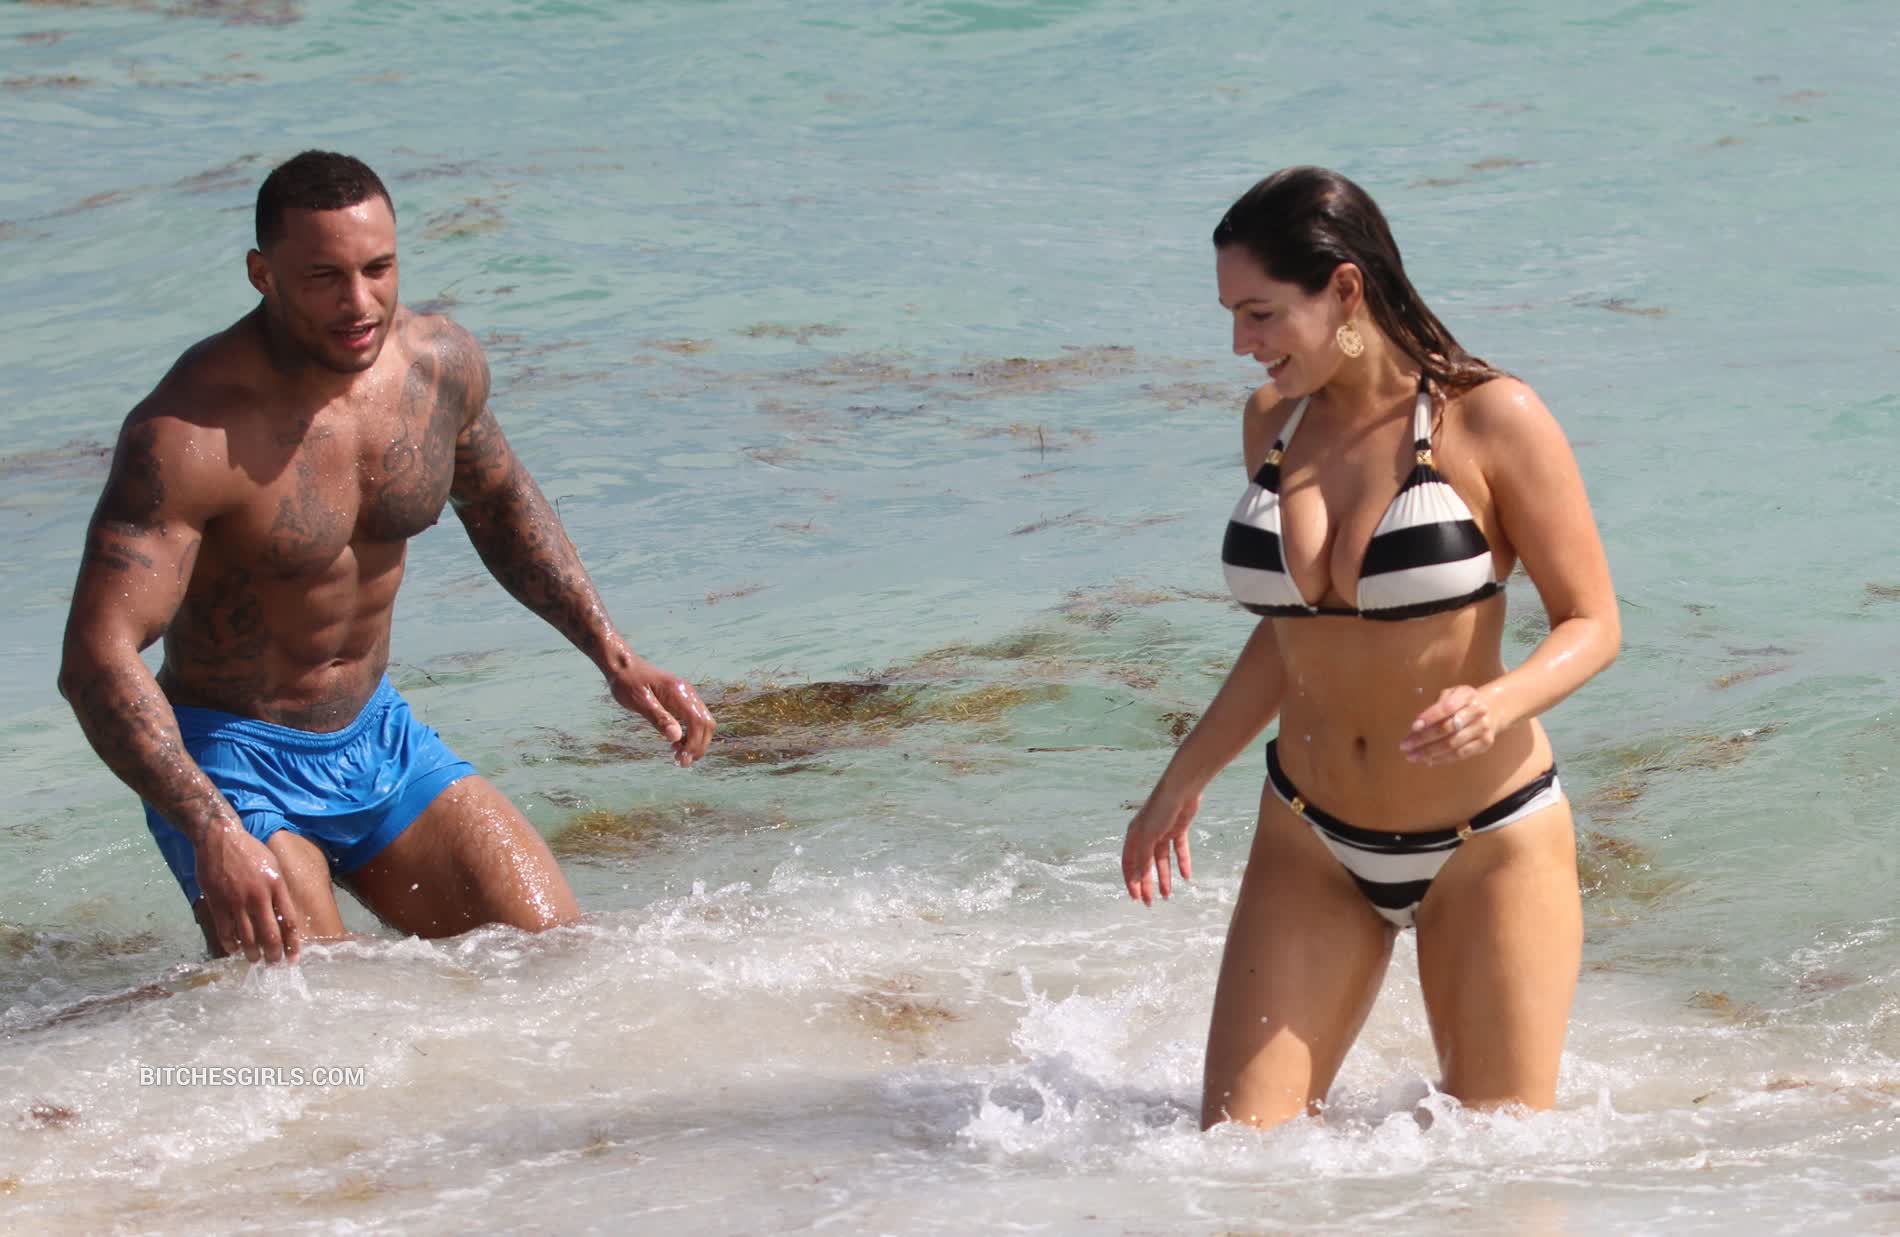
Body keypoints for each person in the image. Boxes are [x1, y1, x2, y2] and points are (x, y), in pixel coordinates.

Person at [57, 150, 716, 966]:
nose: (359, 302)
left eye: (378, 269)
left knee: (561, 961)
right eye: (324, 277)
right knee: (325, 1007)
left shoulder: (438, 369)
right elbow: (96, 658)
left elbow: (501, 505)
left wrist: (614, 655)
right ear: (262, 274)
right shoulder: (190, 433)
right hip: (233, 761)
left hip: (379, 736)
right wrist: (210, 828)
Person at [1121, 166, 1619, 1130]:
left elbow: (1593, 620)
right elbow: (1292, 637)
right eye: (1233, 316)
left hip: (1486, 844)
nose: (1241, 343)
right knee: (1232, 1161)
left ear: (1344, 289)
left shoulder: (1491, 416)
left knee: (1495, 1171)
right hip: (1308, 837)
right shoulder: (1274, 423)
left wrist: (1499, 701)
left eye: (1261, 314)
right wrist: (1182, 777)